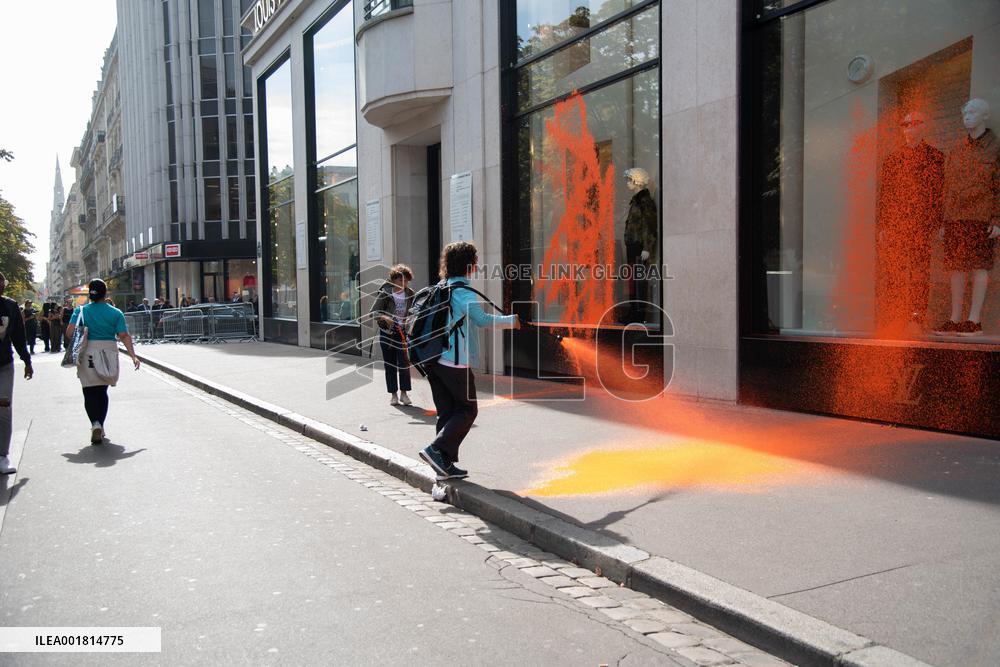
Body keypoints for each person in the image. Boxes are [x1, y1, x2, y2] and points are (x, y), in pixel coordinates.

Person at [419, 242, 520, 480]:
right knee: (467, 409)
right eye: (475, 261)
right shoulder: (462, 292)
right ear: (470, 266)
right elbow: (482, 320)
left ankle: (443, 465)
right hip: (453, 360)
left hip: (433, 358)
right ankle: (436, 450)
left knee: (447, 412)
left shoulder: (441, 288)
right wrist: (512, 320)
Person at [67, 279, 140, 444]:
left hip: (87, 352)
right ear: (105, 293)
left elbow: (70, 332)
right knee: (102, 391)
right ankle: (100, 424)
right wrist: (133, 356)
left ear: (90, 293)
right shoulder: (115, 313)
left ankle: (95, 424)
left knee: (89, 391)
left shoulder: (81, 311)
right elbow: (123, 336)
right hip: (108, 352)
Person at [0, 272, 34, 474]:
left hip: (4, 364)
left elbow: (19, 337)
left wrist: (27, 361)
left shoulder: (10, 306)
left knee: (4, 406)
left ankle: (2, 456)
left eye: (2, 282)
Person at [370, 264, 415, 406]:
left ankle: (404, 394)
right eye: (400, 280)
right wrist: (384, 317)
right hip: (387, 334)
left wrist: (410, 320)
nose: (403, 284)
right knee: (390, 365)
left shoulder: (410, 293)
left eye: (406, 281)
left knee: (404, 365)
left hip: (403, 334)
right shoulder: (385, 293)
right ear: (393, 280)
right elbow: (373, 313)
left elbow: (414, 312)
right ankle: (393, 395)